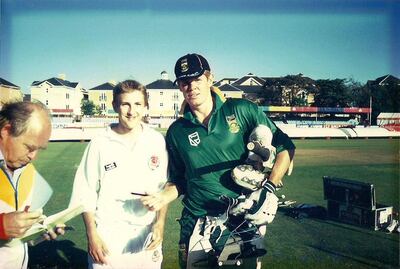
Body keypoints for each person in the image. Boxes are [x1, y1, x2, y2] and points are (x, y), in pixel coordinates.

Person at [141, 53, 295, 269]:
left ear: (209, 78)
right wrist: (162, 197)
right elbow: (179, 180)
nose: (191, 86)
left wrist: (269, 187)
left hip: (240, 220)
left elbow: (285, 147)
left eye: (197, 79)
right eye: (185, 82)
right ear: (179, 86)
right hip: (195, 221)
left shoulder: (241, 109)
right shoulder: (176, 131)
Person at [69, 80, 168, 269]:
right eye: (125, 104)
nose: (132, 111)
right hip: (109, 237)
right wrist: (92, 235)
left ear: (146, 107)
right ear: (115, 106)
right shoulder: (99, 143)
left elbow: (163, 189)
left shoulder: (156, 140)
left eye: (138, 104)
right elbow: (86, 192)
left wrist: (160, 223)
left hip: (147, 236)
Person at [0, 101, 64, 269]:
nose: (33, 156)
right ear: (6, 131)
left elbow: (15, 242)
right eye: (29, 147)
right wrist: (1, 226)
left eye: (39, 149)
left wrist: (39, 232)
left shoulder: (28, 172)